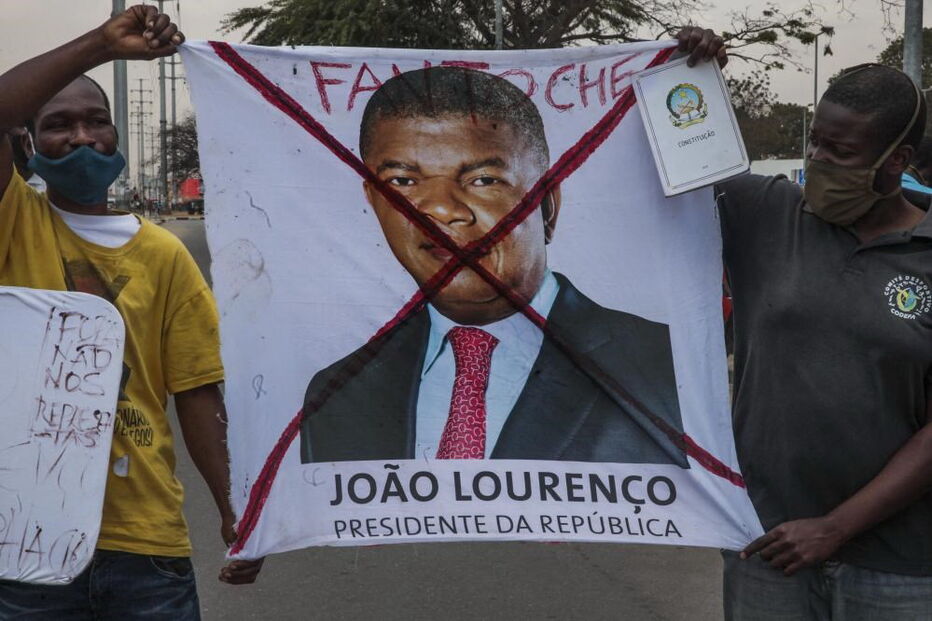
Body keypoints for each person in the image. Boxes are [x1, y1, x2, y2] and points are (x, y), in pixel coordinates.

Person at [0, 6, 261, 619]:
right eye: (59, 125)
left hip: (145, 549)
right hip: (22, 546)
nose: (84, 138)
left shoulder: (166, 255)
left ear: (116, 135)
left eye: (97, 122)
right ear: (28, 142)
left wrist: (233, 509)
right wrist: (101, 46)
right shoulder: (14, 223)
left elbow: (197, 393)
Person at [300, 66, 687, 466]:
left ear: (547, 205)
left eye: (483, 180)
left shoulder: (668, 367)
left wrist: (689, 78)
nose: (441, 210)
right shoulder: (336, 393)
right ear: (373, 199)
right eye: (402, 181)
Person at [678, 28, 932, 620]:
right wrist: (689, 71)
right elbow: (667, 152)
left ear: (897, 160)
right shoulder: (765, 212)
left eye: (839, 152)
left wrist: (834, 528)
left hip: (900, 568)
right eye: (815, 142)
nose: (817, 159)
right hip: (767, 547)